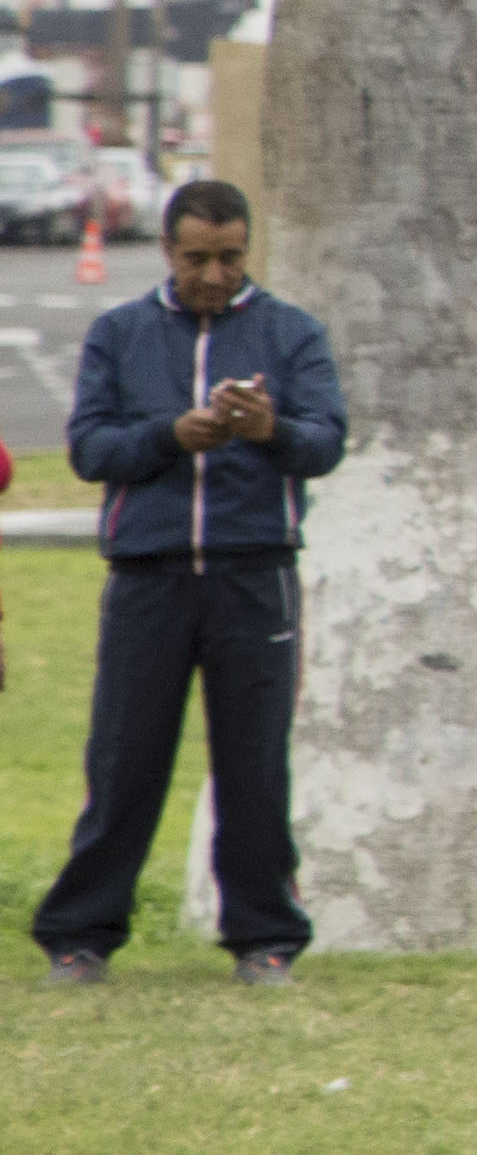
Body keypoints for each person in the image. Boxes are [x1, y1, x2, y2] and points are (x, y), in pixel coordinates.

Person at [37, 180, 345, 989]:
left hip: (255, 576)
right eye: (198, 257)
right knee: (124, 758)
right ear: (169, 252)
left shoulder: (291, 333)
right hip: (149, 577)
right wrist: (171, 435)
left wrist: (266, 429)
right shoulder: (122, 333)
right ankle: (81, 936)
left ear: (249, 251)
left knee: (254, 762)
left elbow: (325, 442)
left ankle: (265, 939)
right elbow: (91, 449)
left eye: (231, 257)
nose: (215, 274)